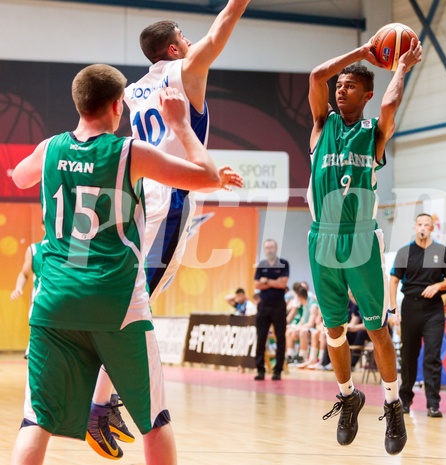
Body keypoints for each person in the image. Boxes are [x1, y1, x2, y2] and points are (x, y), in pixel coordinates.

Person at [9, 65, 237, 465]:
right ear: (118, 107)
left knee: (35, 422)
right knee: (154, 421)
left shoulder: (49, 148)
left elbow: (20, 177)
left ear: (78, 103)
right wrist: (181, 125)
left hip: (54, 303)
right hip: (117, 303)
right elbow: (206, 175)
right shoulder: (130, 152)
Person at [88, 2, 250, 458]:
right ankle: (100, 404)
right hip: (168, 201)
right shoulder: (186, 68)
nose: (192, 39)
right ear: (175, 46)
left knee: (137, 299)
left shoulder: (134, 89)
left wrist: (212, 174)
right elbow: (222, 27)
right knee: (136, 304)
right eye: (185, 34)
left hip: (139, 195)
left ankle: (104, 399)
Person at [307, 35, 421, 455]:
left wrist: (401, 67)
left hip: (361, 240)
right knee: (333, 329)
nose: (341, 89)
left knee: (376, 328)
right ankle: (348, 395)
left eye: (351, 85)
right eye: (340, 86)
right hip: (322, 238)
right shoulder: (322, 126)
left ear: (366, 94)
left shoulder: (374, 132)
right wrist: (361, 52)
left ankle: (393, 403)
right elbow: (318, 75)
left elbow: (390, 107)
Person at [389, 213, 446, 418]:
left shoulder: (441, 251)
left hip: (434, 309)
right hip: (410, 307)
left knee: (432, 356)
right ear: (414, 227)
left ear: (432, 228)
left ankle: (433, 404)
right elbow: (393, 281)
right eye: (419, 224)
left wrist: (438, 285)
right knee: (409, 355)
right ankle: (406, 400)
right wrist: (393, 310)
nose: (423, 228)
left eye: (427, 225)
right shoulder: (404, 252)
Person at [254, 238, 290, 380]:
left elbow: (283, 284)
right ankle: (260, 370)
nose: (269, 250)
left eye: (272, 247)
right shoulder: (261, 265)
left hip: (279, 306)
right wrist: (274, 282)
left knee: (280, 338)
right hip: (264, 306)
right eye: (267, 247)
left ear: (276, 248)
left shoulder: (283, 264)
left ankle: (277, 370)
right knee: (261, 338)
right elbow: (257, 284)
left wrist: (267, 281)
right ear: (265, 250)